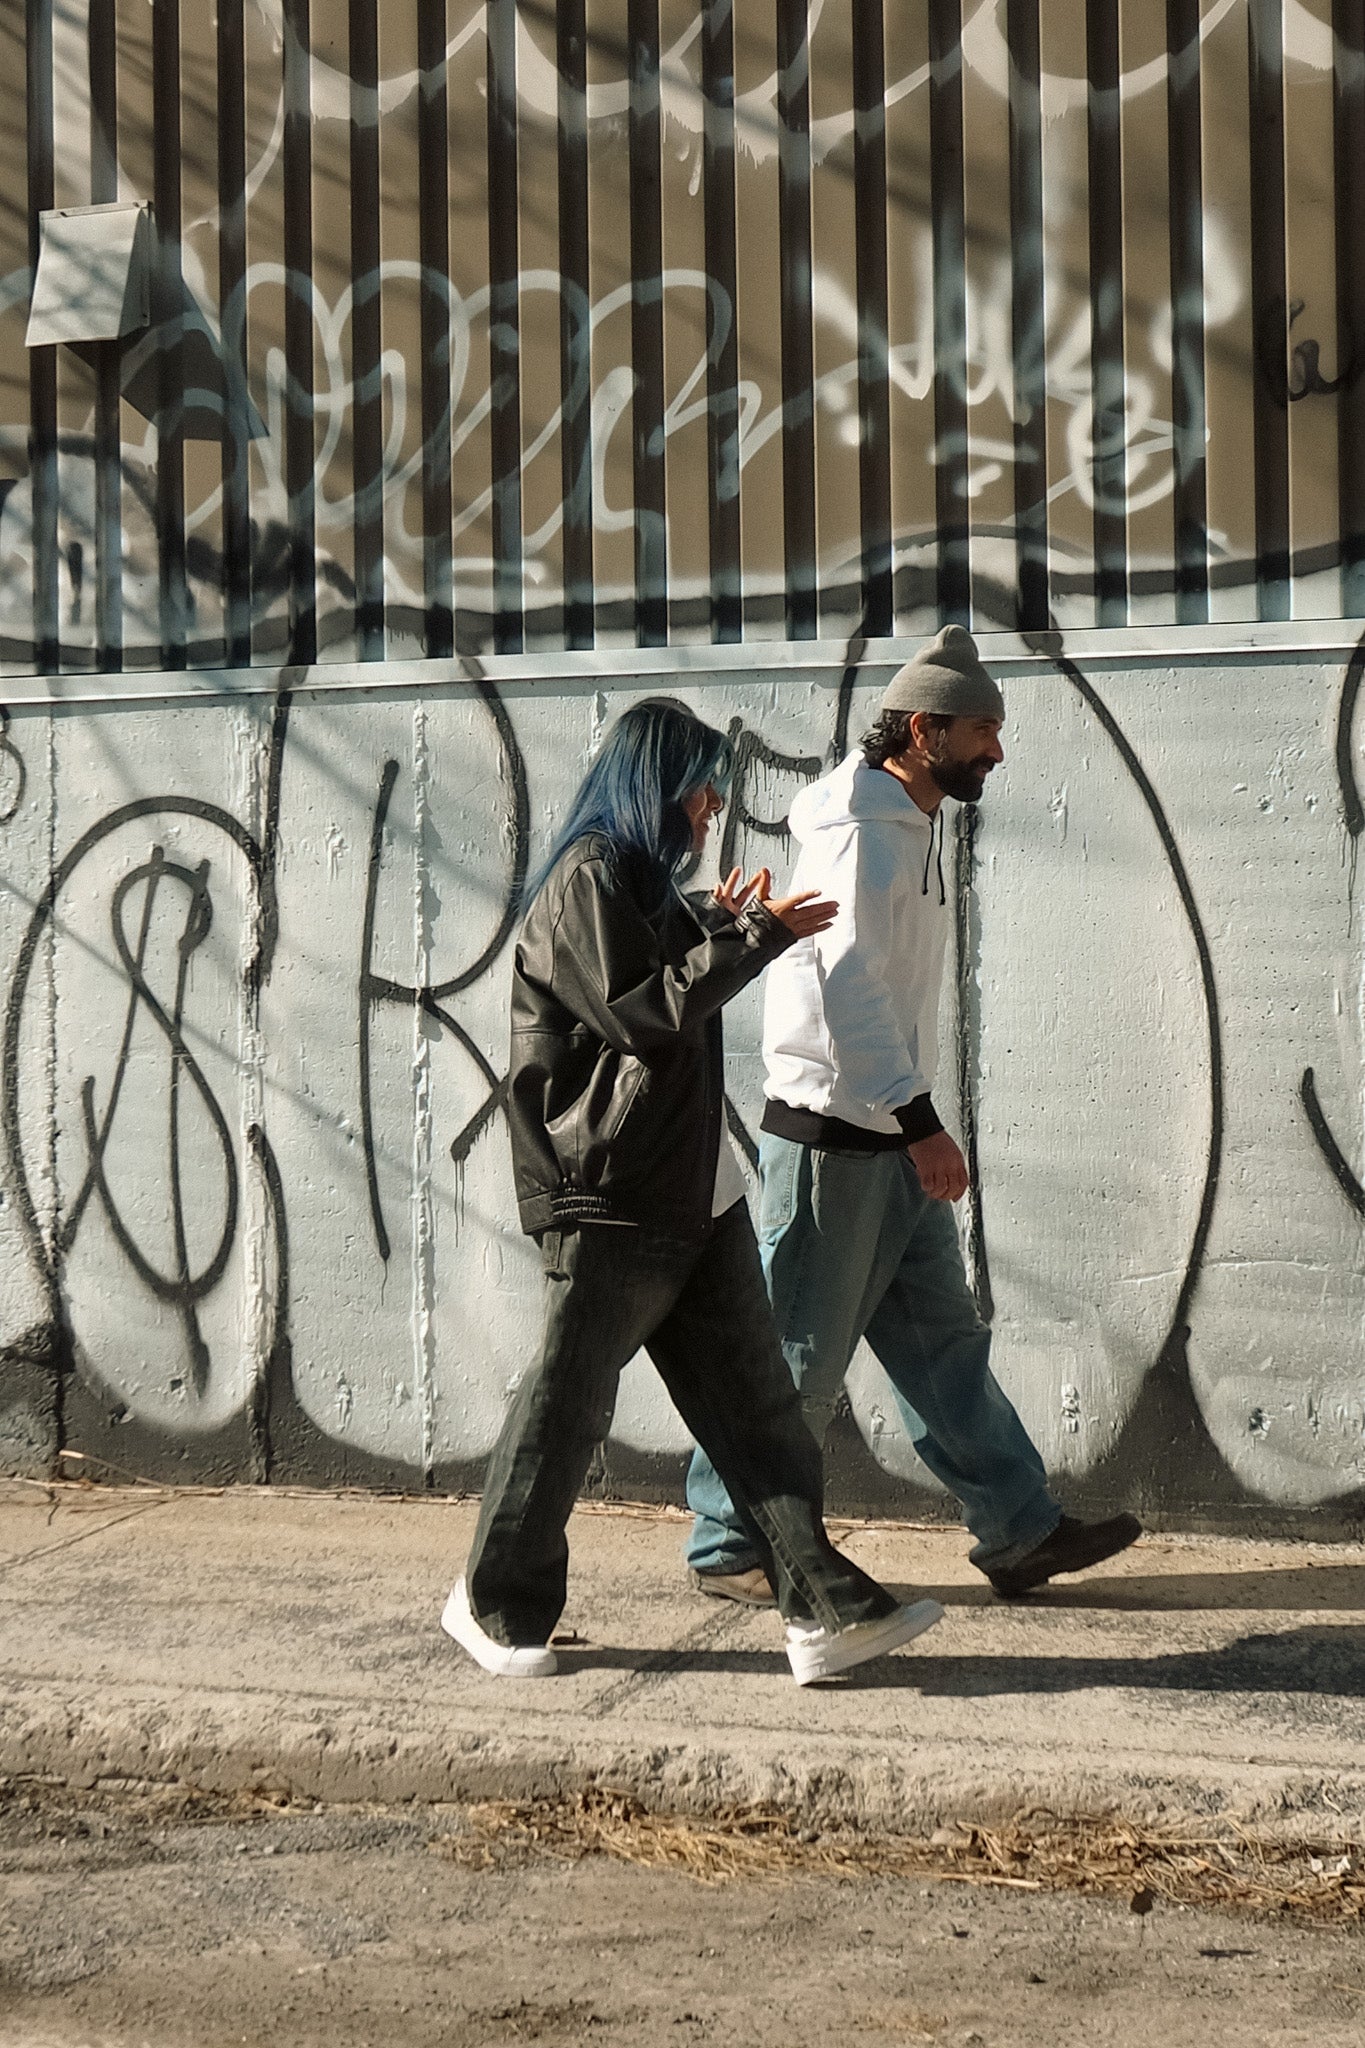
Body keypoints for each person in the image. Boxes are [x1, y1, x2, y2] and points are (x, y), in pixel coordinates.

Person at [440, 696, 944, 1686]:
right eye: (702, 784)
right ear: (655, 785)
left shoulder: (638, 882)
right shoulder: (588, 876)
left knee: (758, 1413)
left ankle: (823, 1610)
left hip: (689, 1190)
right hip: (610, 1191)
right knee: (566, 1406)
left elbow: (664, 965)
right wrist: (754, 936)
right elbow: (641, 1009)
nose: (715, 803)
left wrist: (727, 919)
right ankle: (492, 1600)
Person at [684, 628, 1142, 1605]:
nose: (998, 751)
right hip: (837, 1134)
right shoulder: (858, 827)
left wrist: (911, 1123)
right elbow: (849, 990)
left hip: (885, 1132)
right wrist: (923, 1120)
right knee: (799, 1350)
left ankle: (1020, 1530)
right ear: (924, 728)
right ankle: (728, 1539)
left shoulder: (905, 815)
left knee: (942, 1344)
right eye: (983, 730)